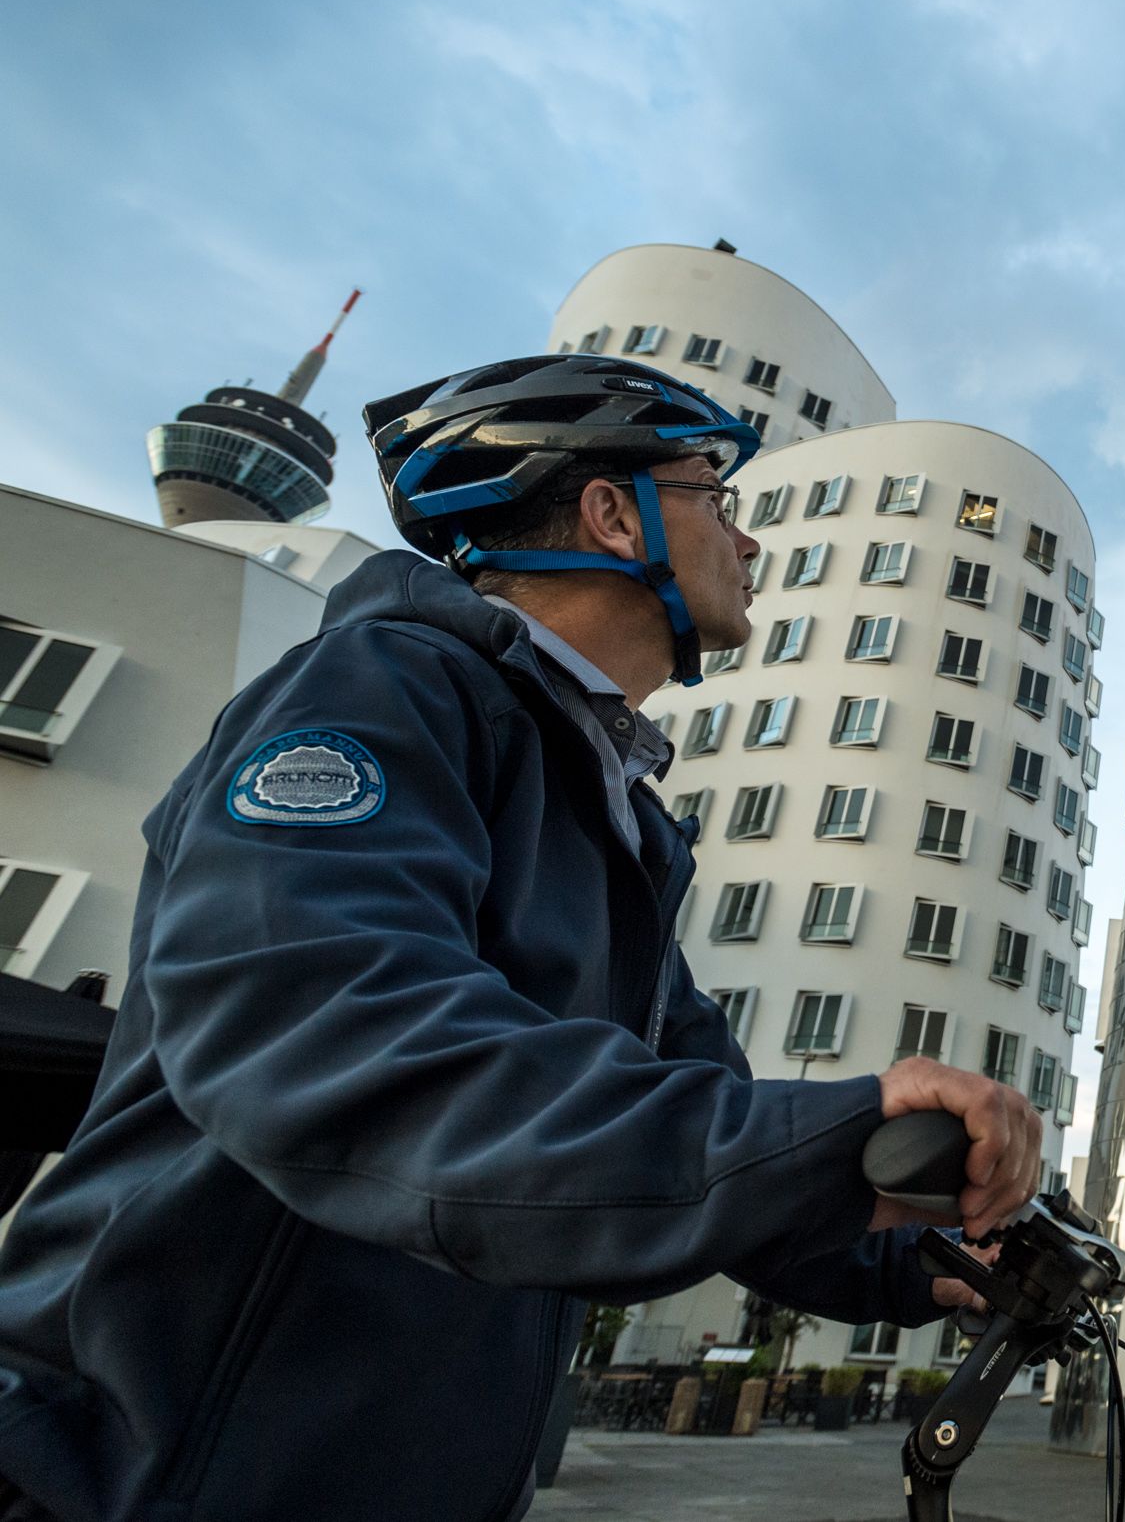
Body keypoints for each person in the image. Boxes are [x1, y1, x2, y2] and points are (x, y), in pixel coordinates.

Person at [0, 356, 1041, 1522]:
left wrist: (938, 1258)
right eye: (715, 495)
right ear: (610, 513)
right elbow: (333, 1034)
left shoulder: (623, 829)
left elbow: (699, 1124)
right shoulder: (382, 690)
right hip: (144, 1475)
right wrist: (822, 1137)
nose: (747, 545)